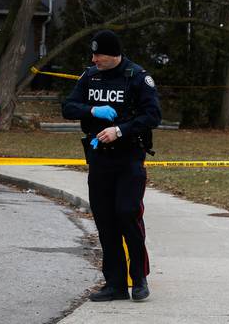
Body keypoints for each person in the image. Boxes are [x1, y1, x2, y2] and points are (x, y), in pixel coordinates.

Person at [62, 30, 161, 302]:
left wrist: (120, 130)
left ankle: (138, 279)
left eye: (99, 55)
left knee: (127, 213)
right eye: (93, 54)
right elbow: (68, 107)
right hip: (99, 159)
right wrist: (92, 111)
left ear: (114, 54)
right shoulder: (90, 76)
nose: (94, 59)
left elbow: (153, 115)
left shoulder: (138, 77)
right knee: (105, 221)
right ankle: (115, 284)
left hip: (129, 157)